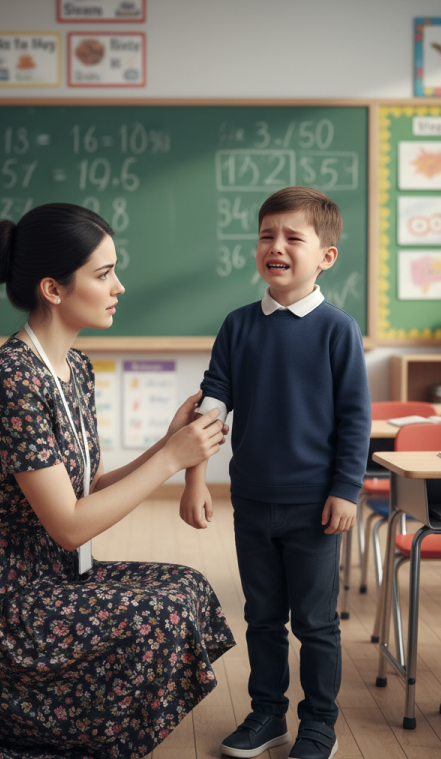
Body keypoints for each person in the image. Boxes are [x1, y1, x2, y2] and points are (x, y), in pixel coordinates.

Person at [0, 203, 236, 759]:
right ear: (53, 288)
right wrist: (170, 462)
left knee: (187, 588)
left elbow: (85, 489)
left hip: (49, 574)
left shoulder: (75, 367)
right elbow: (69, 525)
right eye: (103, 274)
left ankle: (86, 721)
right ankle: (44, 721)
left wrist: (167, 445)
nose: (119, 286)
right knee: (160, 612)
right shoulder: (12, 379)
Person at [181, 187, 371, 759]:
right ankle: (268, 714)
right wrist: (194, 480)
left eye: (293, 237)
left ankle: (319, 723)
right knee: (262, 619)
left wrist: (346, 490)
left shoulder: (338, 330)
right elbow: (210, 406)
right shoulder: (238, 326)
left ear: (326, 256)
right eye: (267, 235)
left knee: (315, 624)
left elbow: (355, 419)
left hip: (315, 506)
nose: (277, 247)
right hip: (253, 502)